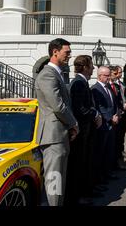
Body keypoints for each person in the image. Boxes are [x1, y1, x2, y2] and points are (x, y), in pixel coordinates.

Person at [35, 38, 78, 206]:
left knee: (59, 180)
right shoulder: (47, 74)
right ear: (55, 52)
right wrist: (74, 123)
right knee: (54, 181)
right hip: (53, 137)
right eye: (67, 52)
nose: (69, 55)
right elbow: (58, 106)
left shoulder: (56, 73)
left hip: (59, 135)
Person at [66, 55, 102, 206]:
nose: (93, 68)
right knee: (78, 165)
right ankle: (77, 196)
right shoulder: (79, 83)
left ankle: (86, 190)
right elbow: (80, 109)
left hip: (86, 130)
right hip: (80, 131)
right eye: (92, 65)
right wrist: (95, 114)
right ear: (85, 67)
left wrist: (94, 113)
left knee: (85, 162)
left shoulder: (83, 82)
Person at [91, 66, 119, 184]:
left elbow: (114, 104)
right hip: (102, 125)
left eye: (109, 75)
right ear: (99, 76)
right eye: (106, 76)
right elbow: (99, 107)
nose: (108, 78)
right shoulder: (95, 89)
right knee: (100, 153)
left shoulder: (109, 88)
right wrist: (110, 118)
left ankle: (108, 173)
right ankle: (99, 178)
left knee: (109, 150)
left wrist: (117, 114)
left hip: (112, 124)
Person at [109, 65, 126, 170]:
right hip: (114, 116)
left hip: (122, 114)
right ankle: (116, 160)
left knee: (120, 138)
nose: (118, 75)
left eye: (119, 72)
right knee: (115, 140)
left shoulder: (120, 85)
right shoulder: (109, 85)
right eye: (116, 73)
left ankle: (119, 156)